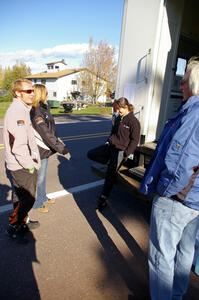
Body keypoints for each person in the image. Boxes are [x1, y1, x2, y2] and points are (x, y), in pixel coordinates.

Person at [140, 57, 199, 300]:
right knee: (185, 252)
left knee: (161, 256)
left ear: (195, 85)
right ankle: (176, 295)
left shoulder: (193, 114)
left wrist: (168, 192)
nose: (181, 86)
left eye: (184, 82)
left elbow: (178, 161)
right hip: (194, 201)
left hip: (178, 200)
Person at [3, 78, 41, 243]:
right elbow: (18, 146)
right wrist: (30, 165)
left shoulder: (23, 109)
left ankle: (22, 221)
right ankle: (13, 225)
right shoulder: (17, 112)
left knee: (20, 197)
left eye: (33, 90)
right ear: (18, 93)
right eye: (28, 91)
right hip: (22, 165)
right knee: (28, 198)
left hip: (21, 164)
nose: (32, 94)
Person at [87, 97, 140, 210]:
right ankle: (110, 162)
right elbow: (113, 133)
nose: (118, 111)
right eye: (117, 108)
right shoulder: (118, 118)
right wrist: (108, 141)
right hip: (110, 146)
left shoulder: (133, 121)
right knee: (91, 154)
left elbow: (135, 140)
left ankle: (103, 198)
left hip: (120, 150)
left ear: (126, 107)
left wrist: (126, 153)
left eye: (120, 108)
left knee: (110, 175)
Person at [30, 84, 71, 213]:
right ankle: (37, 203)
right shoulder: (36, 110)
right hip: (40, 148)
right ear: (41, 94)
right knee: (40, 178)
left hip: (45, 148)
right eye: (46, 93)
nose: (47, 95)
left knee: (43, 176)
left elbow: (50, 129)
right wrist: (60, 148)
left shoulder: (44, 108)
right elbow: (45, 132)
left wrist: (58, 140)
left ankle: (43, 197)